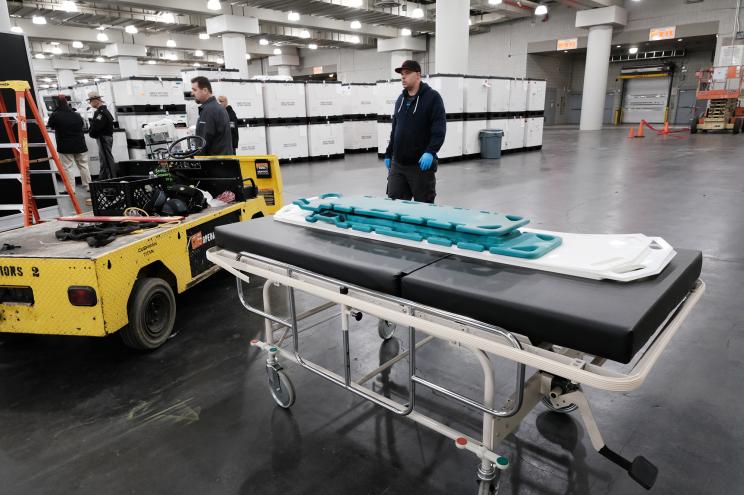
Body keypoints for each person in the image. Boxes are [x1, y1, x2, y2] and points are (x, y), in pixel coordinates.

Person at [384, 60, 446, 204]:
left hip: (420, 166)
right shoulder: (400, 100)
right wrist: (389, 153)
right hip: (398, 165)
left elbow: (439, 129)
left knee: (423, 207)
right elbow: (395, 129)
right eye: (401, 74)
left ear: (418, 75)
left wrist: (430, 152)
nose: (403, 77)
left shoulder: (433, 98)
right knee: (395, 205)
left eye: (407, 73)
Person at [47, 95, 91, 193]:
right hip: (80, 144)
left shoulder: (55, 115)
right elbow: (82, 125)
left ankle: (71, 189)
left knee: (68, 168)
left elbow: (50, 125)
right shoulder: (77, 115)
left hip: (65, 145)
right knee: (83, 165)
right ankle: (88, 186)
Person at [190, 77, 233, 156]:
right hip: (224, 162)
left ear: (205, 90)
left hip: (214, 164)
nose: (192, 93)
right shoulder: (219, 108)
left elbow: (202, 143)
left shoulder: (209, 110)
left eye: (195, 90)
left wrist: (195, 159)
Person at [87, 91, 117, 180]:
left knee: (107, 160)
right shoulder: (105, 111)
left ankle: (112, 179)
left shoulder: (100, 113)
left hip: (103, 138)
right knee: (103, 159)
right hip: (105, 138)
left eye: (91, 101)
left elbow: (96, 127)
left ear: (96, 100)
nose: (90, 103)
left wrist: (91, 132)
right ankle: (103, 178)